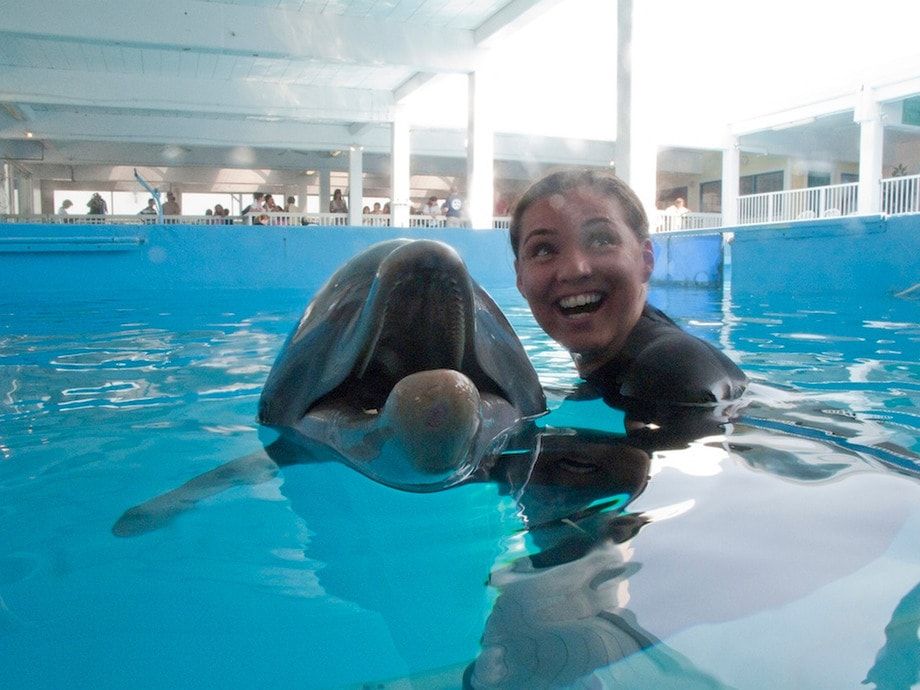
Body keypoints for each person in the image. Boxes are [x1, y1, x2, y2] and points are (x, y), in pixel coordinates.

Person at [510, 169, 747, 412]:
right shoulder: (638, 360)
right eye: (543, 250)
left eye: (601, 240)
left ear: (646, 260)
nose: (574, 269)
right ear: (520, 279)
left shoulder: (668, 370)